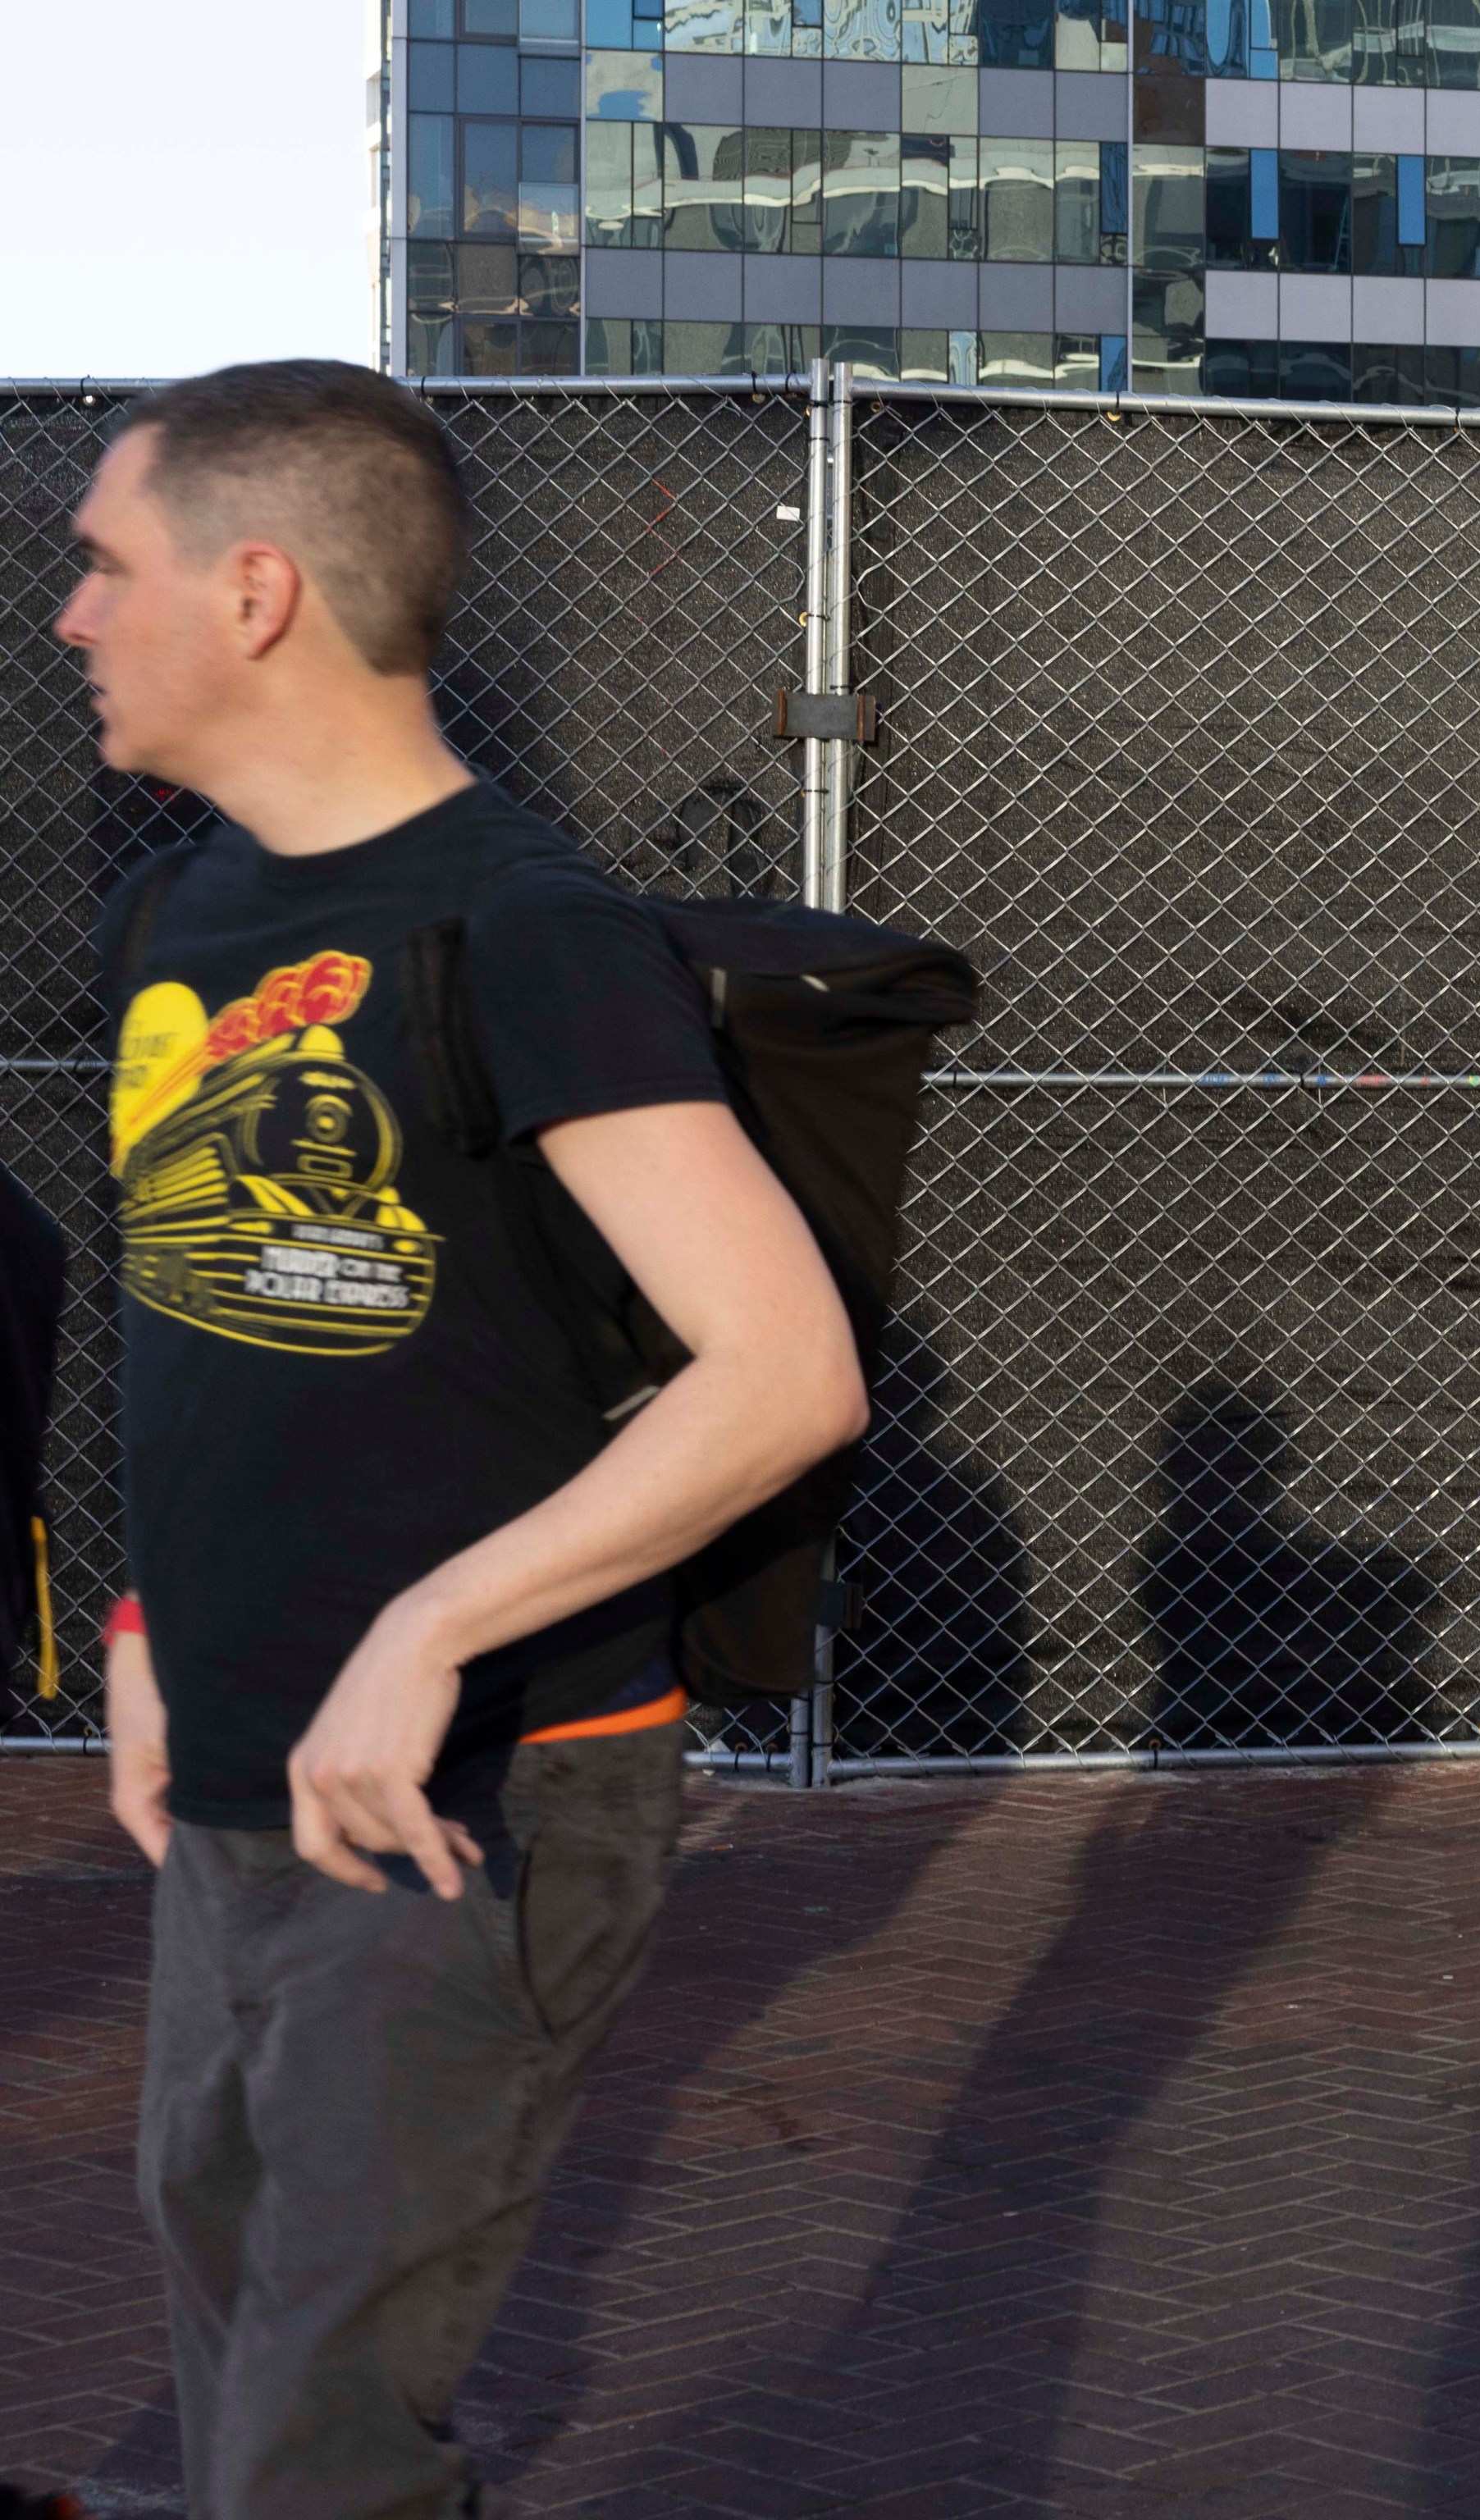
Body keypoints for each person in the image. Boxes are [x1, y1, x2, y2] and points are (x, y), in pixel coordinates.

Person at [56, 360, 866, 2517]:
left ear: (254, 593)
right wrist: (150, 1616)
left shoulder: (522, 923)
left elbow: (782, 1370)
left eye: (104, 567)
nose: (69, 620)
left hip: (476, 1785)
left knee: (318, 2434)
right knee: (240, 2333)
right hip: (240, 1771)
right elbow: (205, 1316)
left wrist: (431, 1634)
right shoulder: (178, 919)